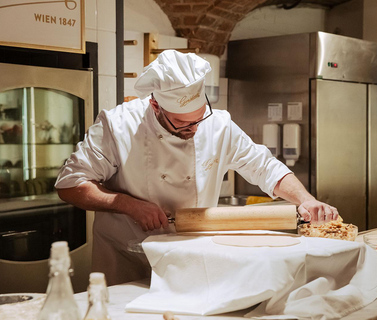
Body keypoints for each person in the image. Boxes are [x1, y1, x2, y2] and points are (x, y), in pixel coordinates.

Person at [55, 50, 339, 285]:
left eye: (199, 118)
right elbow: (70, 185)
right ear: (155, 106)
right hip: (124, 256)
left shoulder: (218, 125)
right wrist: (127, 204)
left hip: (192, 254)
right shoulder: (118, 125)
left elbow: (264, 167)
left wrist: (306, 200)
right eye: (182, 123)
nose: (194, 128)